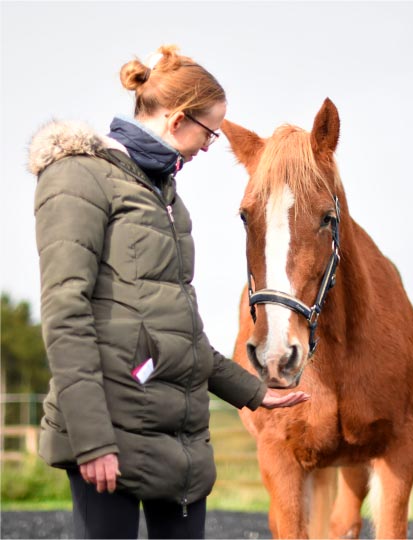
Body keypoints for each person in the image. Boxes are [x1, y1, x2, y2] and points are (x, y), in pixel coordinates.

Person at [28, 44, 309, 539]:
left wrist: (252, 391)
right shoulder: (77, 177)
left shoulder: (166, 198)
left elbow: (178, 329)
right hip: (109, 431)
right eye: (210, 132)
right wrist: (93, 441)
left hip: (178, 436)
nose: (209, 146)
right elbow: (65, 315)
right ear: (179, 119)